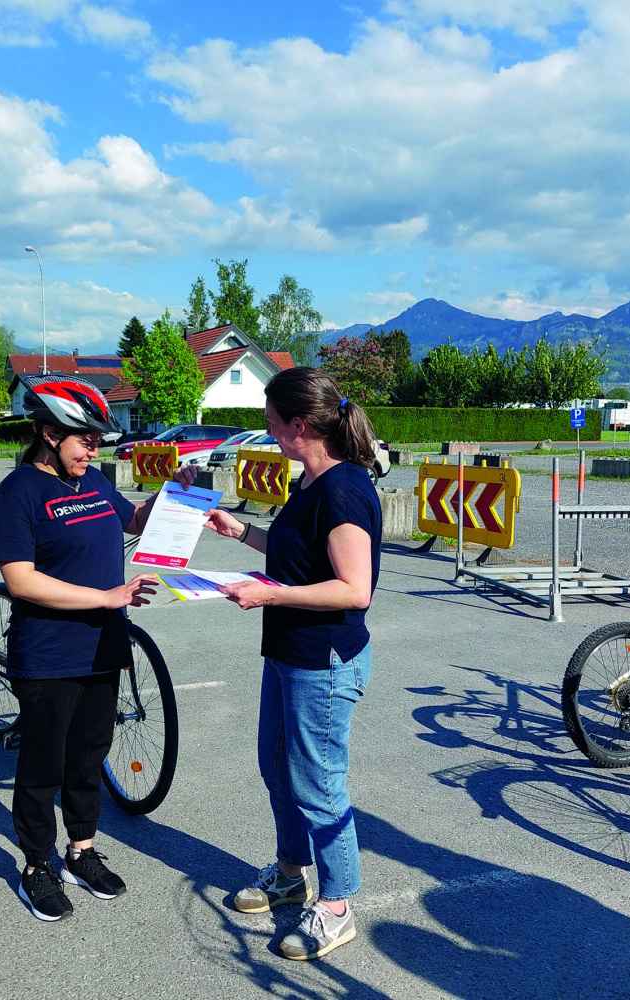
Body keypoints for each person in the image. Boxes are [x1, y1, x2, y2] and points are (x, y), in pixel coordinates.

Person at [0, 374, 195, 922]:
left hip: (104, 646)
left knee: (88, 756)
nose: (95, 449)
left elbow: (134, 520)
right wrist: (106, 596)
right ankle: (36, 863)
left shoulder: (97, 481)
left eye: (99, 440)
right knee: (42, 767)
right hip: (50, 653)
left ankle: (81, 850)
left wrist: (174, 494)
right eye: (86, 439)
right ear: (49, 433)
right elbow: (22, 581)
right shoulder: (17, 495)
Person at [205, 366, 382, 961]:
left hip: (324, 663)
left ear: (299, 425)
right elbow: (294, 552)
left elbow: (355, 589)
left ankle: (336, 905)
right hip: (286, 654)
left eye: (272, 421)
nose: (267, 430)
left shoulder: (344, 489)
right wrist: (241, 533)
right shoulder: (309, 482)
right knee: (278, 768)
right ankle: (290, 872)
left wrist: (270, 594)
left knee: (318, 783)